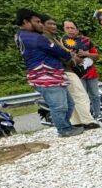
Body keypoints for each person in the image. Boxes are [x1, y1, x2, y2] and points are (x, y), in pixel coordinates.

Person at [14, 9, 81, 137]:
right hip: (46, 75)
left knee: (69, 104)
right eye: (37, 22)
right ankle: (64, 129)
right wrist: (70, 56)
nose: (41, 25)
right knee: (59, 106)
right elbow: (57, 51)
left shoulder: (20, 35)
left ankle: (66, 126)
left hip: (49, 74)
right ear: (25, 22)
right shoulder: (35, 38)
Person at [40, 14, 95, 128]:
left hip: (60, 70)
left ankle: (77, 122)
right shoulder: (47, 39)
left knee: (71, 98)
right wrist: (74, 60)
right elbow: (60, 54)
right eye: (50, 24)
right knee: (80, 95)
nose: (54, 26)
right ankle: (87, 121)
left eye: (54, 24)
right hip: (65, 69)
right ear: (42, 25)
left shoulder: (52, 38)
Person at [63, 20, 102, 119]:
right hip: (75, 74)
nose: (70, 30)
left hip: (91, 72)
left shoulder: (86, 40)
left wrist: (86, 54)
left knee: (95, 95)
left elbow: (97, 56)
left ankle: (98, 114)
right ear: (64, 29)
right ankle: (87, 117)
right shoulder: (61, 42)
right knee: (82, 97)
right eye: (67, 28)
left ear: (77, 29)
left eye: (72, 28)